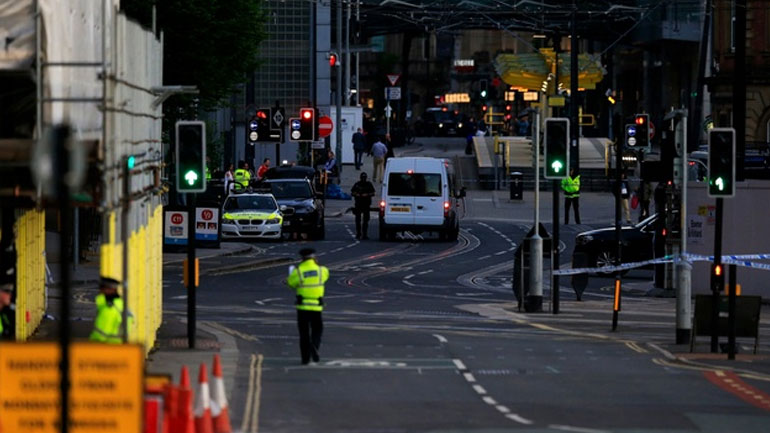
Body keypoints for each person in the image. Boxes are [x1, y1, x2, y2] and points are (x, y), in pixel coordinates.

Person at [286, 248, 329, 365]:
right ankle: (314, 346)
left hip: (303, 307)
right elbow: (325, 276)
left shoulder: (298, 271)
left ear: (302, 258)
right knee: (317, 329)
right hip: (316, 306)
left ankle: (305, 358)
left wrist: (291, 274)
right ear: (314, 258)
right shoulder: (321, 270)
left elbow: (290, 284)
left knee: (304, 333)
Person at [89, 277, 128, 344]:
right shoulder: (120, 304)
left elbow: (100, 335)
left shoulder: (109, 309)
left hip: (106, 347)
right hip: (118, 347)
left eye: (103, 288)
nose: (100, 291)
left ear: (111, 289)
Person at [351, 172, 376, 239]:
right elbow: (352, 192)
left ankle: (364, 234)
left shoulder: (368, 184)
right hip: (358, 204)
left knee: (365, 220)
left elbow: (373, 193)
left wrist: (367, 195)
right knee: (358, 220)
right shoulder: (357, 184)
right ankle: (358, 233)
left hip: (366, 204)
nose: (363, 179)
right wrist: (357, 194)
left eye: (364, 178)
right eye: (362, 178)